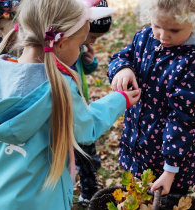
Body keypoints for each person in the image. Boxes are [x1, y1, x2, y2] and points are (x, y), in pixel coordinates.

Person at [0, 0, 141, 209]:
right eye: (80, 44)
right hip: (41, 201)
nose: (81, 50)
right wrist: (119, 99)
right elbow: (86, 127)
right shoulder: (59, 86)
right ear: (60, 43)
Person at [108, 0, 195, 197]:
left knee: (169, 201)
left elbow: (183, 119)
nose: (163, 35)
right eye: (157, 25)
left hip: (172, 161)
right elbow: (122, 56)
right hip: (137, 145)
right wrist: (122, 69)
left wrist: (170, 170)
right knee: (136, 198)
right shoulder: (145, 38)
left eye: (174, 30)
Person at [72, 0, 113, 204]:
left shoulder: (78, 45)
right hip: (69, 108)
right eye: (93, 36)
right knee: (79, 149)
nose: (94, 42)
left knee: (86, 153)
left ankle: (89, 192)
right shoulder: (66, 44)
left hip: (81, 106)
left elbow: (84, 69)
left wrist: (89, 62)